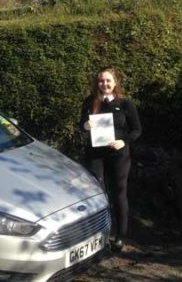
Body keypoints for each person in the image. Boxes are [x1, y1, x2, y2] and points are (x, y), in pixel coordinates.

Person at [79, 67, 142, 251]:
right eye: (100, 81)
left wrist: (124, 141)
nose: (104, 84)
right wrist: (85, 125)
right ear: (96, 83)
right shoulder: (90, 102)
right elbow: (80, 125)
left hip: (118, 155)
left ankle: (120, 236)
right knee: (96, 193)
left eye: (108, 80)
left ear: (115, 82)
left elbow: (137, 129)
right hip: (95, 154)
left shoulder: (125, 104)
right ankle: (96, 233)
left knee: (118, 194)